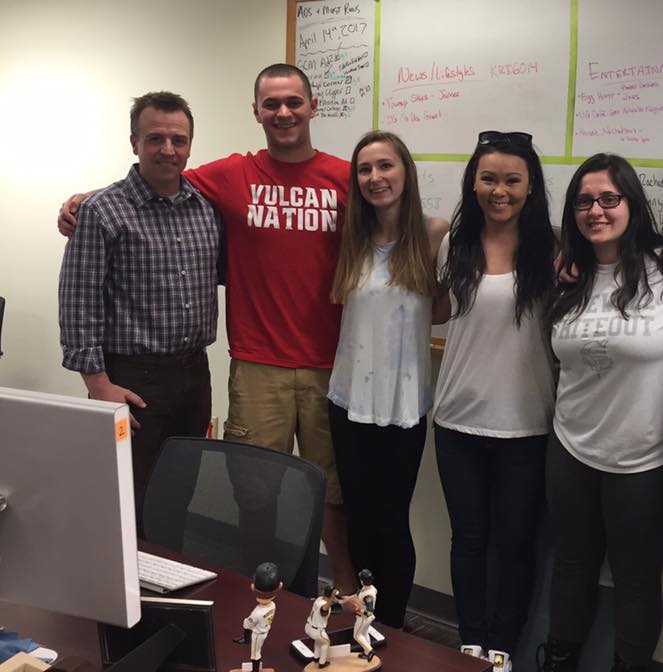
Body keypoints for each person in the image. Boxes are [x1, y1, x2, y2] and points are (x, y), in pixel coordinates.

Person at [59, 64, 355, 595]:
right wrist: (84, 201)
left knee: (328, 493)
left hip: (315, 366)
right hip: (238, 365)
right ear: (256, 112)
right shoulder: (227, 177)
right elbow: (148, 187)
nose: (283, 112)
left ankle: (345, 598)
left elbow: (391, 225)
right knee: (239, 495)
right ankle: (249, 598)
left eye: (293, 102)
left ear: (313, 106)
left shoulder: (340, 178)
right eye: (271, 103)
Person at [510, 153, 663, 672]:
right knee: (571, 565)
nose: (596, 210)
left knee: (637, 578)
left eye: (609, 199)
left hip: (647, 456)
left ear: (633, 204)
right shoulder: (569, 273)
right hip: (570, 446)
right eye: (585, 201)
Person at [58, 91, 220, 535]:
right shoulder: (101, 211)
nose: (168, 149)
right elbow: (77, 300)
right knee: (131, 498)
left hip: (194, 375)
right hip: (131, 378)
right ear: (134, 142)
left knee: (180, 494)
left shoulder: (206, 209)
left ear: (190, 144)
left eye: (178, 139)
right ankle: (128, 601)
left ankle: (172, 594)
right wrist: (98, 384)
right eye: (155, 138)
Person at [433, 130, 556, 672]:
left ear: (531, 187)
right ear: (473, 182)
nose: (498, 190)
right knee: (469, 541)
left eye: (511, 179)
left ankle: (500, 656)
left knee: (514, 544)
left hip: (527, 426)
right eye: (488, 178)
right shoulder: (453, 247)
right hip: (456, 420)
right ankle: (470, 645)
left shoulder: (555, 253)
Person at [326, 130, 447, 628]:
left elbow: (443, 309)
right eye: (365, 170)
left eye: (385, 166)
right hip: (349, 398)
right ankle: (362, 621)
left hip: (403, 404)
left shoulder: (435, 233)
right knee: (358, 518)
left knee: (392, 522)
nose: (375, 178)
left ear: (405, 171)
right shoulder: (349, 235)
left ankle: (393, 625)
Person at [234, 561, 283, 672]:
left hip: (258, 633)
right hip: (265, 629)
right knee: (247, 623)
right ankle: (246, 639)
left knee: (255, 653)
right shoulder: (273, 605)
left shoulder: (257, 612)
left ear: (252, 586)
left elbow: (250, 623)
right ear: (280, 586)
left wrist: (248, 625)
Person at [304, 583, 338, 668]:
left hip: (308, 626)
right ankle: (322, 663)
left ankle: (316, 657)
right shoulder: (325, 606)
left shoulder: (319, 599)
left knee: (319, 641)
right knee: (326, 643)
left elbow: (328, 604)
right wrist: (333, 596)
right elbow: (324, 609)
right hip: (317, 631)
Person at [352, 569, 377, 661]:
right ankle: (366, 653)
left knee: (357, 635)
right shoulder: (370, 588)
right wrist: (348, 598)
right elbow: (358, 595)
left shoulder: (368, 595)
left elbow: (370, 611)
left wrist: (360, 610)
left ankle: (370, 651)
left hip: (364, 618)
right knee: (364, 633)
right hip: (365, 618)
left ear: (362, 580)